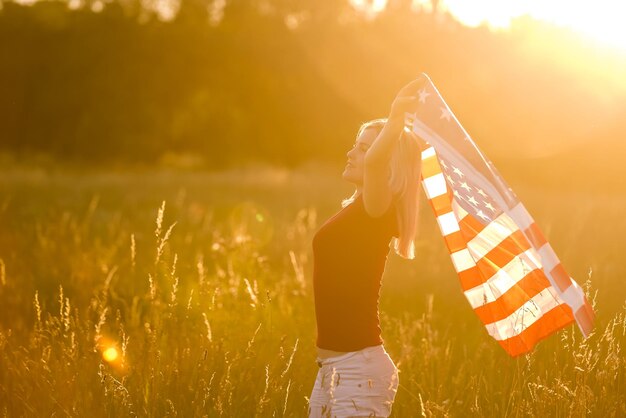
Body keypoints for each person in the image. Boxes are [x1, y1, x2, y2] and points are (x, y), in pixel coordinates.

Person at [309, 77, 427, 418]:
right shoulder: (359, 209)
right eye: (357, 145)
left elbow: (376, 163)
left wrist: (395, 118)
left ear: (387, 162)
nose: (351, 153)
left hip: (359, 371)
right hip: (333, 369)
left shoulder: (378, 209)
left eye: (364, 148)